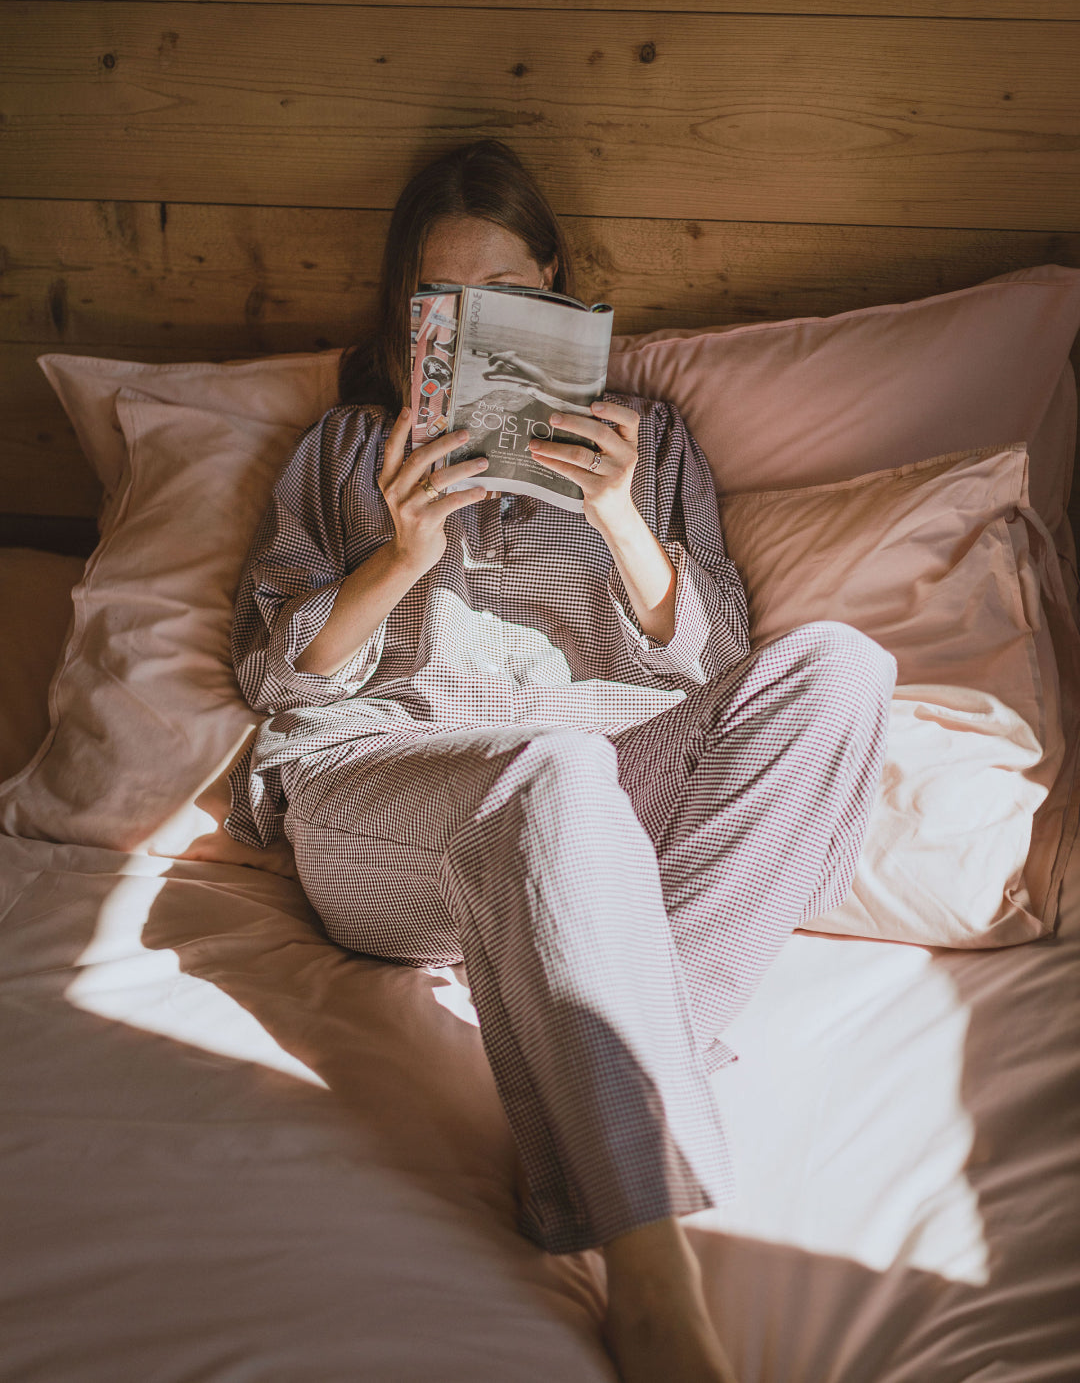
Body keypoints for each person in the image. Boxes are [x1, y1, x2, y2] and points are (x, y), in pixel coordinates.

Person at [225, 138, 897, 1383]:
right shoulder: (340, 454)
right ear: (406, 316)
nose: (474, 329)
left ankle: (575, 1128)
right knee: (551, 767)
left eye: (508, 302)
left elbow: (717, 661)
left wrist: (619, 516)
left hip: (601, 799)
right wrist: (399, 554)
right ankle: (650, 1270)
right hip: (389, 796)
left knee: (843, 670)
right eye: (442, 304)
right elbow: (277, 681)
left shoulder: (650, 444)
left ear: (559, 295)